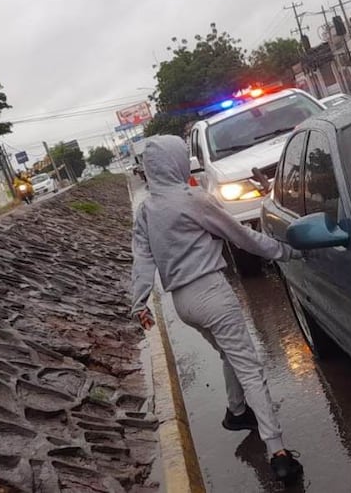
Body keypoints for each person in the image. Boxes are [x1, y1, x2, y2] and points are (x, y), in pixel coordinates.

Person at [129, 135, 304, 484]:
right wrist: (286, 251)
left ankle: (237, 412)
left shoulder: (146, 210)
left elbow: (142, 260)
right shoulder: (193, 200)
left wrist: (139, 303)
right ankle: (278, 452)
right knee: (250, 368)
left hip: (183, 303)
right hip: (211, 292)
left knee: (229, 353)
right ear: (176, 163)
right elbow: (240, 236)